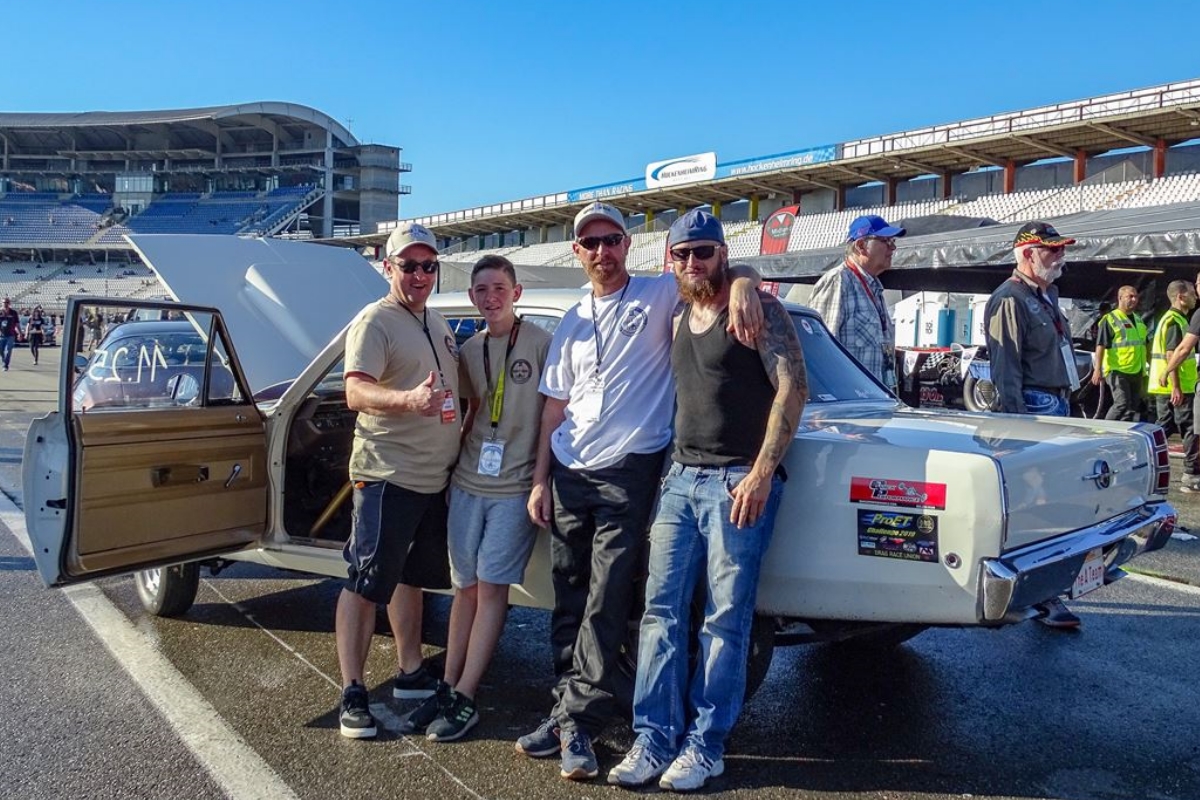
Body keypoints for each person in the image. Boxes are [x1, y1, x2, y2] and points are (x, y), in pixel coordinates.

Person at [519, 202, 763, 781]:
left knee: (606, 600)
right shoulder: (571, 319)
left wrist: (746, 282)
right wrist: (539, 478)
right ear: (577, 252)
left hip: (629, 471)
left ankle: (580, 723)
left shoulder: (658, 293)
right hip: (569, 469)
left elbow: (712, 271)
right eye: (590, 243)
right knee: (569, 595)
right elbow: (553, 408)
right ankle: (565, 711)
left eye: (611, 240)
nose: (602, 251)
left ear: (628, 245)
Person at [608, 210, 808, 792]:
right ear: (670, 259)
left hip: (737, 484)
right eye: (683, 253)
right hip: (679, 480)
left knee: (725, 619)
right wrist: (745, 276)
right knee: (660, 614)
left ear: (722, 254)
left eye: (704, 251)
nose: (693, 262)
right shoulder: (675, 311)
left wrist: (762, 472)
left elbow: (793, 387)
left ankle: (706, 745)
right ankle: (654, 737)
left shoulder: (757, 310)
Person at [398, 254, 552, 742]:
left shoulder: (540, 343)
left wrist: (541, 480)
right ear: (472, 296)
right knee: (462, 586)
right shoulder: (469, 349)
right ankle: (447, 685)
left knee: (490, 587)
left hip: (514, 486)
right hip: (468, 481)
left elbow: (552, 417)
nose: (491, 298)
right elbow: (472, 411)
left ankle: (466, 694)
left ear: (516, 293)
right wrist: (449, 471)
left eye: (499, 289)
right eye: (481, 290)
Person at [336, 221, 460, 739]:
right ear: (388, 268)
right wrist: (408, 401)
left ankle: (410, 670)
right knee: (367, 582)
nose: (419, 275)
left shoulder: (437, 320)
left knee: (409, 577)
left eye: (428, 266)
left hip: (432, 477)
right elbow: (355, 392)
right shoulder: (375, 320)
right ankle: (353, 690)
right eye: (408, 266)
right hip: (388, 474)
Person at [983, 220, 1082, 629]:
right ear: (1027, 254)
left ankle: (1044, 588)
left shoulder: (1045, 295)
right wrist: (1015, 424)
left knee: (1053, 499)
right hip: (1035, 407)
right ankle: (1041, 594)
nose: (1060, 256)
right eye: (1051, 250)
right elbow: (1005, 368)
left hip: (1056, 401)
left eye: (1061, 249)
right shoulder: (1010, 299)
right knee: (1038, 503)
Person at [807, 214, 906, 391]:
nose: (893, 247)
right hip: (848, 399)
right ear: (861, 246)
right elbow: (819, 352)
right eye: (886, 241)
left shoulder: (874, 287)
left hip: (875, 399)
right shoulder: (838, 281)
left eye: (892, 241)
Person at [1148, 280, 1199, 491]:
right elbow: (1173, 354)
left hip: (1168, 385)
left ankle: (1142, 457)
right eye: (1192, 293)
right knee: (1189, 428)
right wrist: (1176, 386)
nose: (1195, 296)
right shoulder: (1175, 321)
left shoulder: (1172, 318)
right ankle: (1192, 473)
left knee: (1165, 426)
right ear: (1181, 296)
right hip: (1176, 386)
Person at [1091, 285, 1147, 421]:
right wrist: (1097, 370)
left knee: (1132, 407)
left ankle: (1122, 431)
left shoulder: (1138, 320)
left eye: (1136, 296)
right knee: (1121, 404)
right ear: (1120, 298)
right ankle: (1106, 429)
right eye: (1130, 296)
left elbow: (1144, 345)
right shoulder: (1110, 319)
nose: (1134, 299)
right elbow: (1100, 346)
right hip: (1117, 369)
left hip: (1136, 369)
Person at [0, 298, 20, 371]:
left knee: (8, 350)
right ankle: (4, 361)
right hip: (1, 335)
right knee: (1, 351)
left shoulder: (13, 312)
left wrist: (20, 333)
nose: (5, 304)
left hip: (10, 335)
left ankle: (6, 365)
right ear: (1, 303)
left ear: (9, 303)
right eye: (4, 302)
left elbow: (17, 324)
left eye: (7, 302)